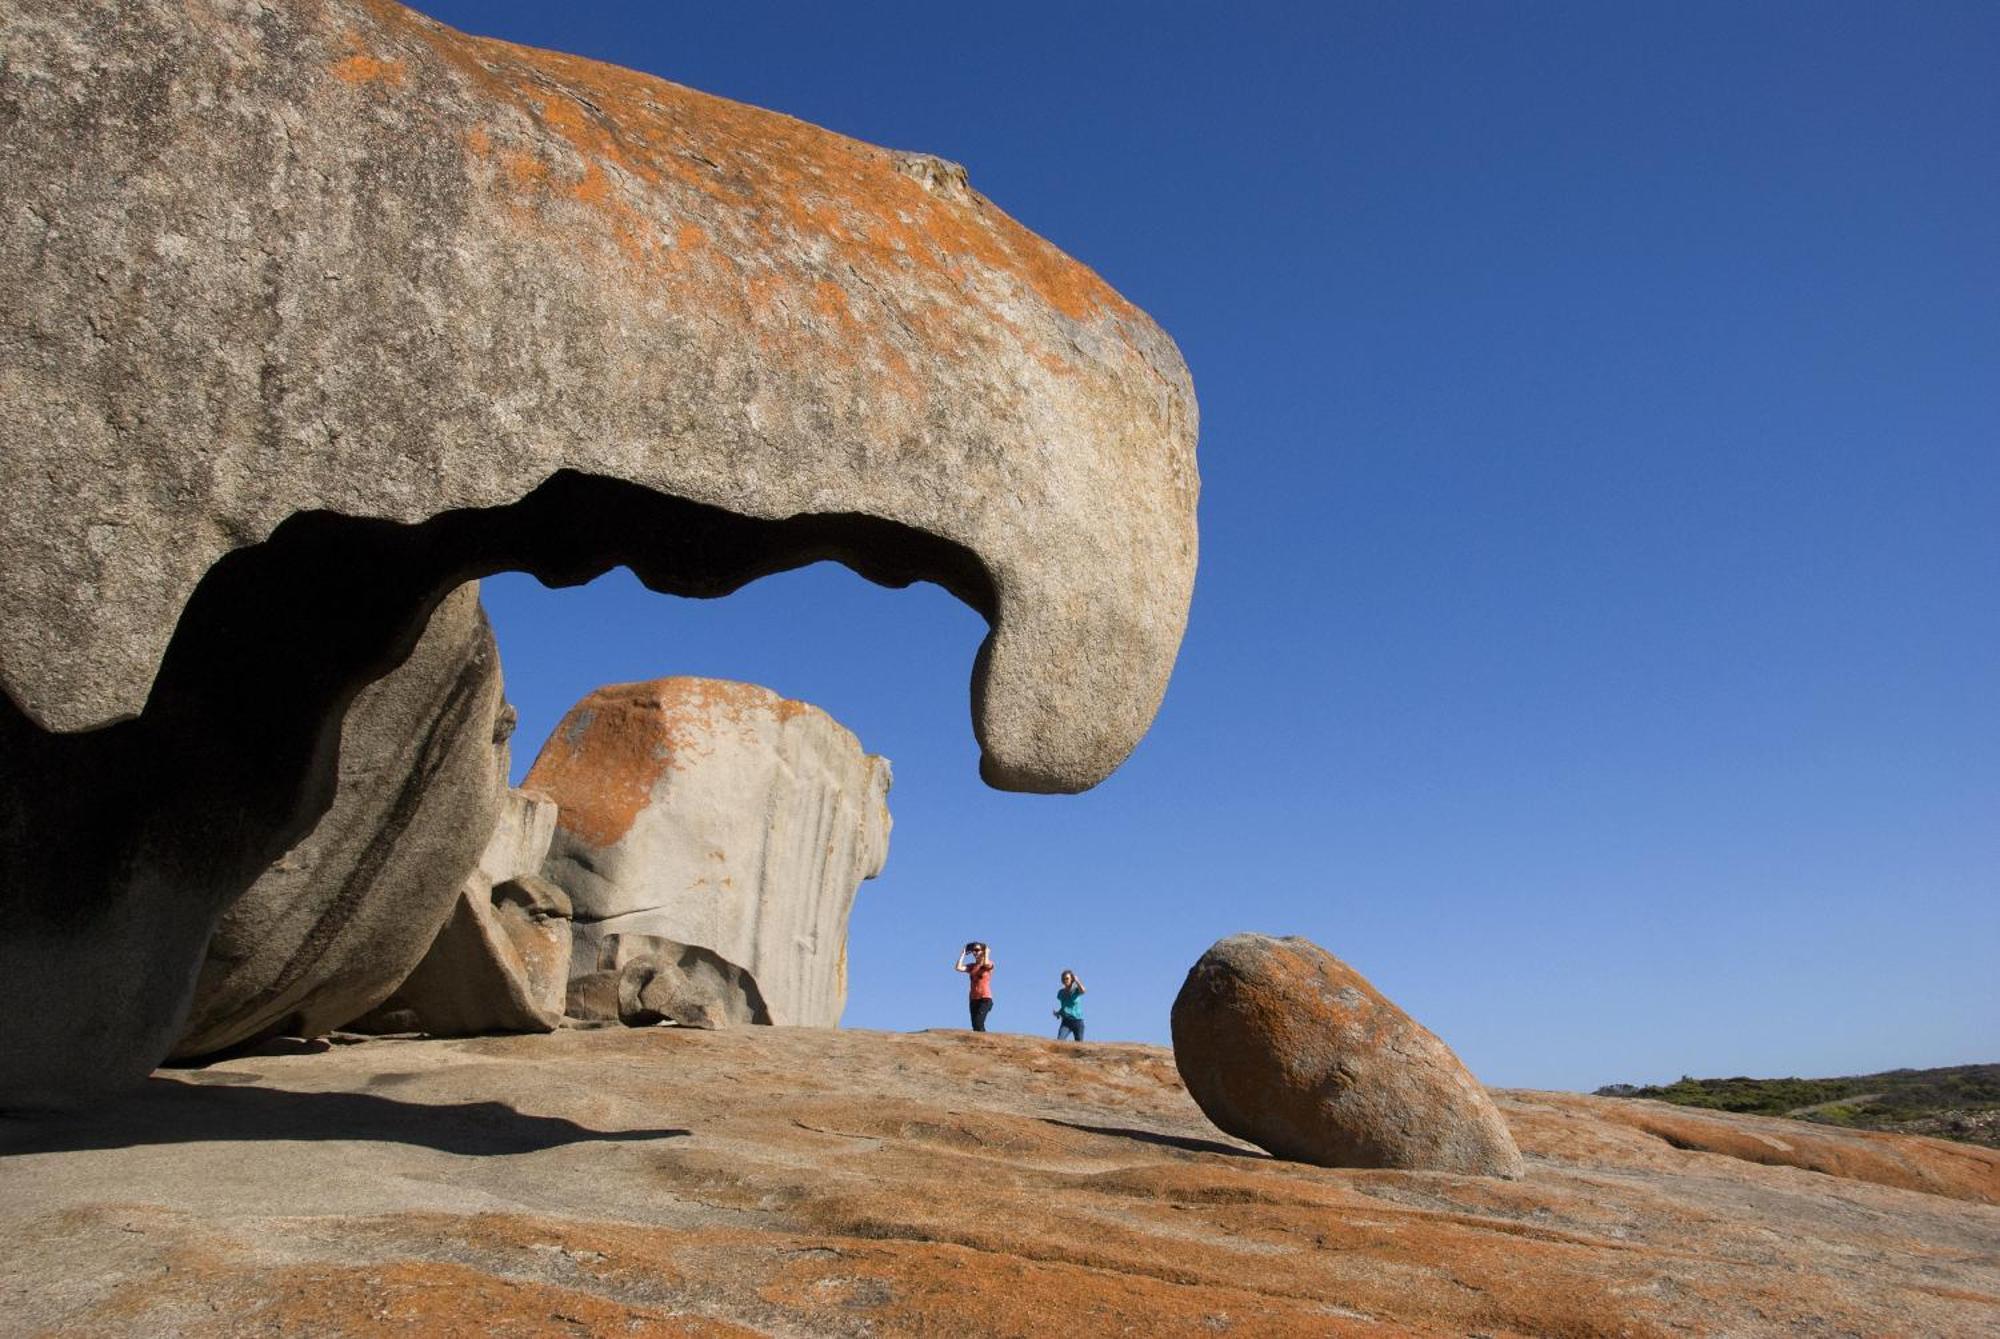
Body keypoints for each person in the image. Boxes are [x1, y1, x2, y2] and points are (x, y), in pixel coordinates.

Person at [953, 941, 994, 1031]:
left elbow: (986, 964)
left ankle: (984, 1042)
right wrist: (963, 954)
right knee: (975, 1026)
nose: (974, 952)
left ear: (983, 951)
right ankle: (981, 1043)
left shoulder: (989, 964)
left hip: (985, 998)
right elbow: (958, 967)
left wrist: (987, 953)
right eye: (973, 951)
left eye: (977, 950)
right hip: (973, 999)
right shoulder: (972, 966)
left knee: (978, 1022)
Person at [1054, 969, 1086, 1041]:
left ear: (1071, 979)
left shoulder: (1076, 990)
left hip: (1077, 1021)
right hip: (1066, 1022)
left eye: (1067, 978)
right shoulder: (1061, 993)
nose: (1065, 980)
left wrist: (1077, 981)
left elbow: (1083, 991)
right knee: (1059, 1041)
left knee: (1079, 1046)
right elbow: (1064, 1007)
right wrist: (1058, 1013)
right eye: (1064, 979)